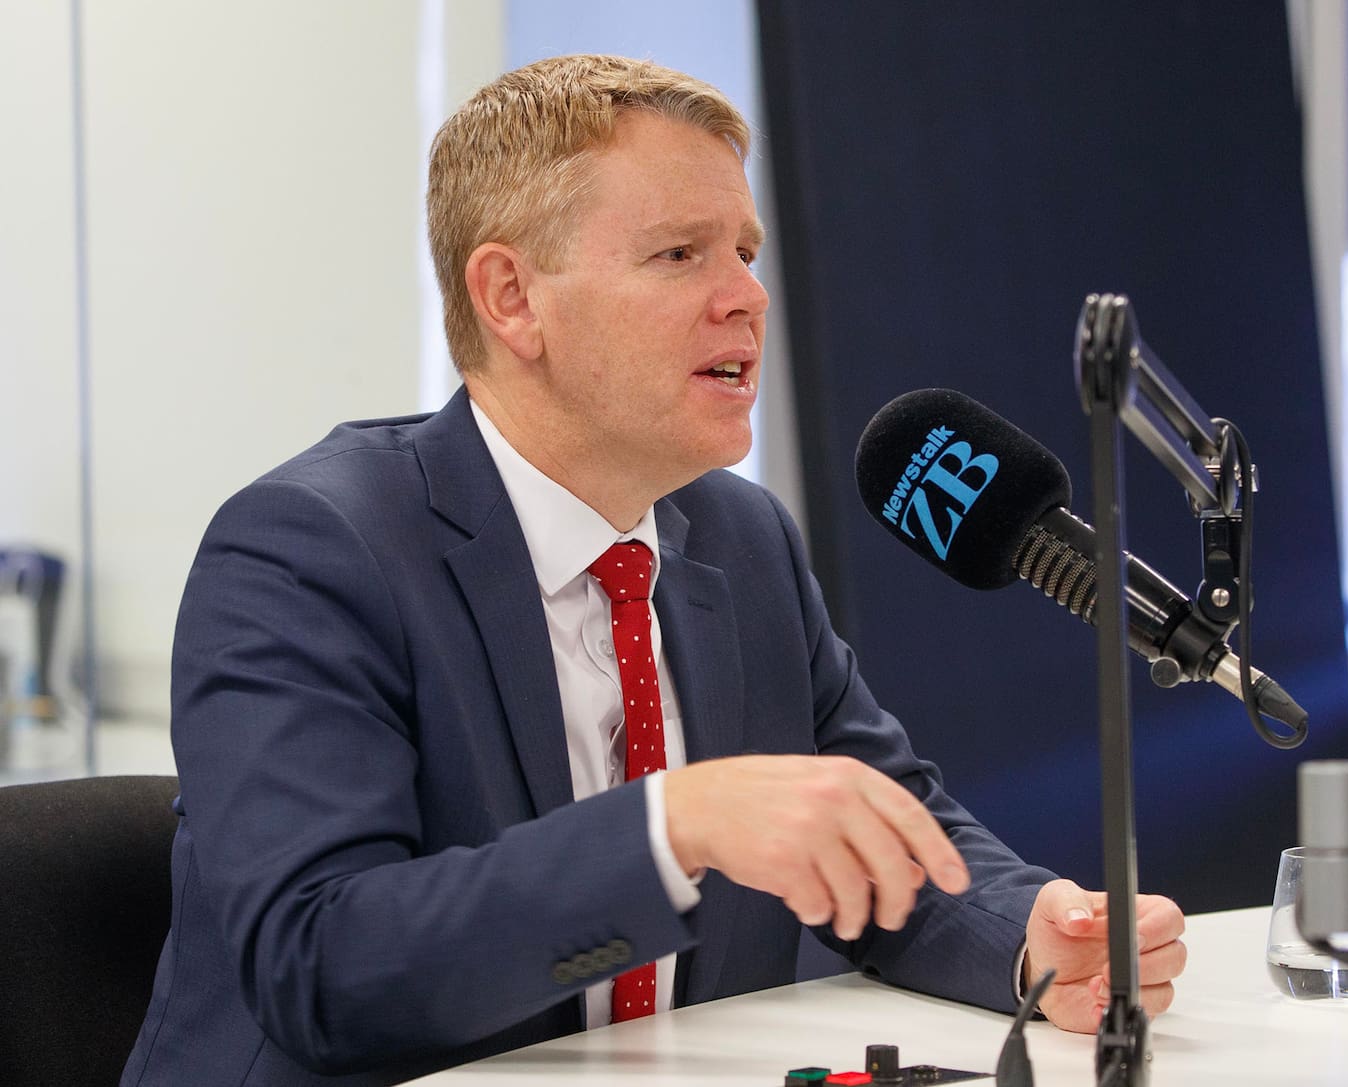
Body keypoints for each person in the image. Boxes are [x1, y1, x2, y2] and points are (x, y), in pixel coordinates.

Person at [121, 54, 1185, 1086]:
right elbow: (321, 967)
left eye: (746, 251)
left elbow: (879, 826)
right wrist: (672, 827)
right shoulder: (310, 550)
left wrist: (1034, 937)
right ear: (511, 297)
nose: (747, 297)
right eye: (680, 254)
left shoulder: (742, 538)